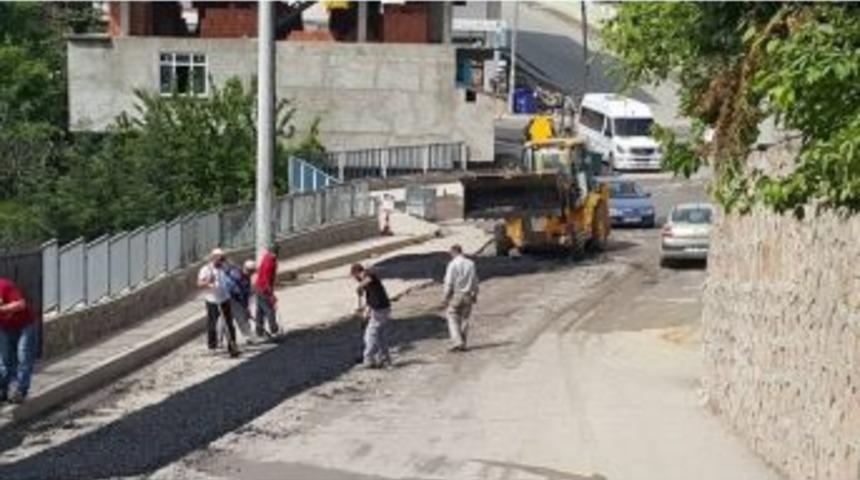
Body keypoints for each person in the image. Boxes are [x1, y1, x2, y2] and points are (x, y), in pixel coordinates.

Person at [0, 277, 36, 404]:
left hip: (24, 325)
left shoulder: (4, 285)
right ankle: (3, 392)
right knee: (5, 361)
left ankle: (21, 391)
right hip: (4, 328)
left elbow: (21, 304)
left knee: (23, 356)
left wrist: (2, 309)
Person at [198, 248, 239, 357]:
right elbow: (200, 283)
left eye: (222, 258)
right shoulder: (206, 269)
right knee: (212, 323)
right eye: (219, 259)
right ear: (213, 258)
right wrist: (208, 283)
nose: (221, 261)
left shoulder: (224, 267)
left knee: (229, 323)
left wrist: (227, 261)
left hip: (224, 298)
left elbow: (234, 268)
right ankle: (212, 346)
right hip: (212, 299)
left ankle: (232, 345)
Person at [350, 263, 392, 368]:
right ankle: (384, 358)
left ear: (356, 273)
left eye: (354, 277)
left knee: (370, 335)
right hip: (382, 309)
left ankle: (368, 359)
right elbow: (370, 302)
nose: (355, 279)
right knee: (380, 335)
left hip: (380, 309)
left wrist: (359, 287)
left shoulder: (368, 276)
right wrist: (364, 315)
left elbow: (369, 277)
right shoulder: (368, 285)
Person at [442, 244, 479, 352]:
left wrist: (445, 297)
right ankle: (463, 343)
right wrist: (475, 293)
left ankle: (457, 341)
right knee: (465, 319)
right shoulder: (471, 263)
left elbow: (449, 282)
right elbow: (475, 280)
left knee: (451, 316)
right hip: (468, 294)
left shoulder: (452, 264)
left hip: (456, 294)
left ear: (454, 252)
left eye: (451, 253)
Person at [224, 260, 257, 345]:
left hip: (238, 299)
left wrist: (246, 307)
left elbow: (246, 293)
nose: (252, 274)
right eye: (251, 271)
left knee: (243, 317)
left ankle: (249, 337)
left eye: (253, 272)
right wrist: (244, 305)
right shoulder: (235, 275)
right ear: (247, 269)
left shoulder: (246, 277)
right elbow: (236, 290)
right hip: (231, 298)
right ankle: (248, 336)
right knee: (238, 318)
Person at [253, 244, 281, 339]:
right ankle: (274, 330)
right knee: (270, 310)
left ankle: (259, 331)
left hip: (258, 288)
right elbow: (267, 279)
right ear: (276, 252)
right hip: (264, 289)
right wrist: (271, 295)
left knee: (260, 311)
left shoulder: (266, 257)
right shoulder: (271, 263)